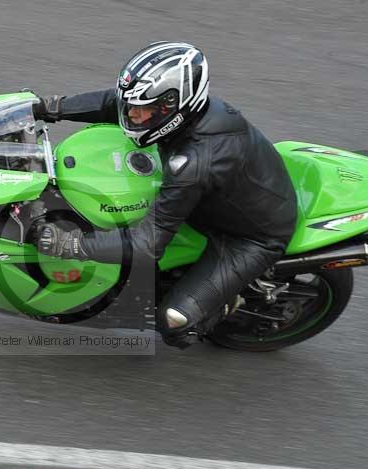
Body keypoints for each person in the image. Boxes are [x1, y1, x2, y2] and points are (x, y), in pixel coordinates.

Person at [32, 41, 298, 349]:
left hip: (249, 237)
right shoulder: (183, 115)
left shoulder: (195, 162)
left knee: (173, 323)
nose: (132, 116)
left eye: (142, 110)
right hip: (213, 195)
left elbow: (147, 244)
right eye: (132, 106)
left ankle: (227, 303)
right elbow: (111, 103)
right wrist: (48, 107)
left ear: (172, 106)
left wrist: (72, 243)